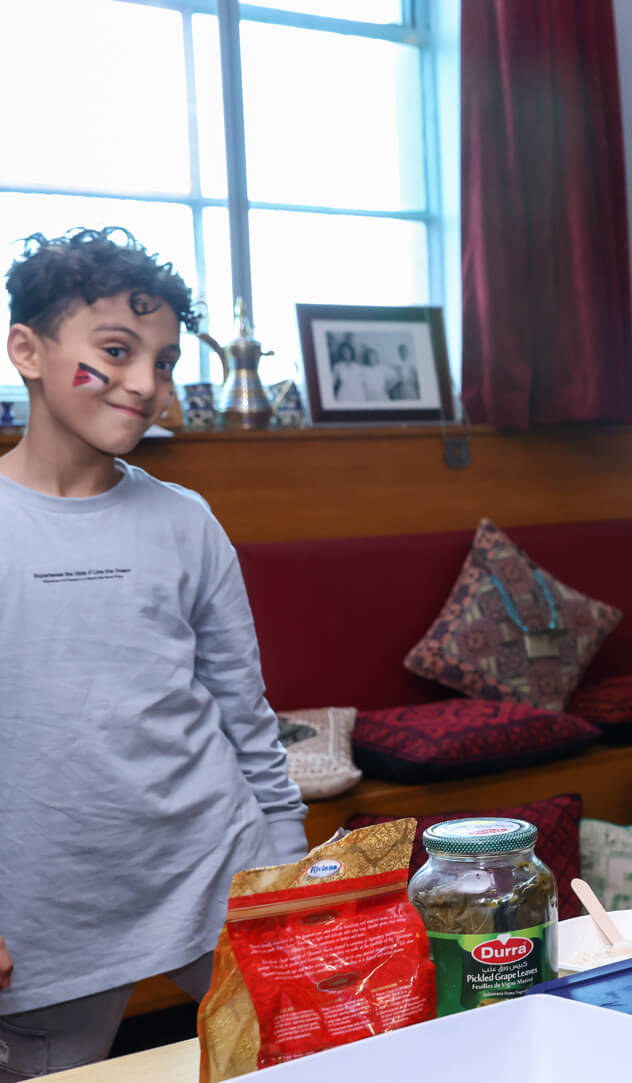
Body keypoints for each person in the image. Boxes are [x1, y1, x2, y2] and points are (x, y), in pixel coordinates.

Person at [0, 228, 307, 1079]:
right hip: (46, 909)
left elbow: (245, 715)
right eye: (115, 351)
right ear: (27, 350)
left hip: (213, 867)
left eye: (164, 361)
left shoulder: (187, 520)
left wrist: (286, 866)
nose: (145, 382)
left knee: (299, 1057)